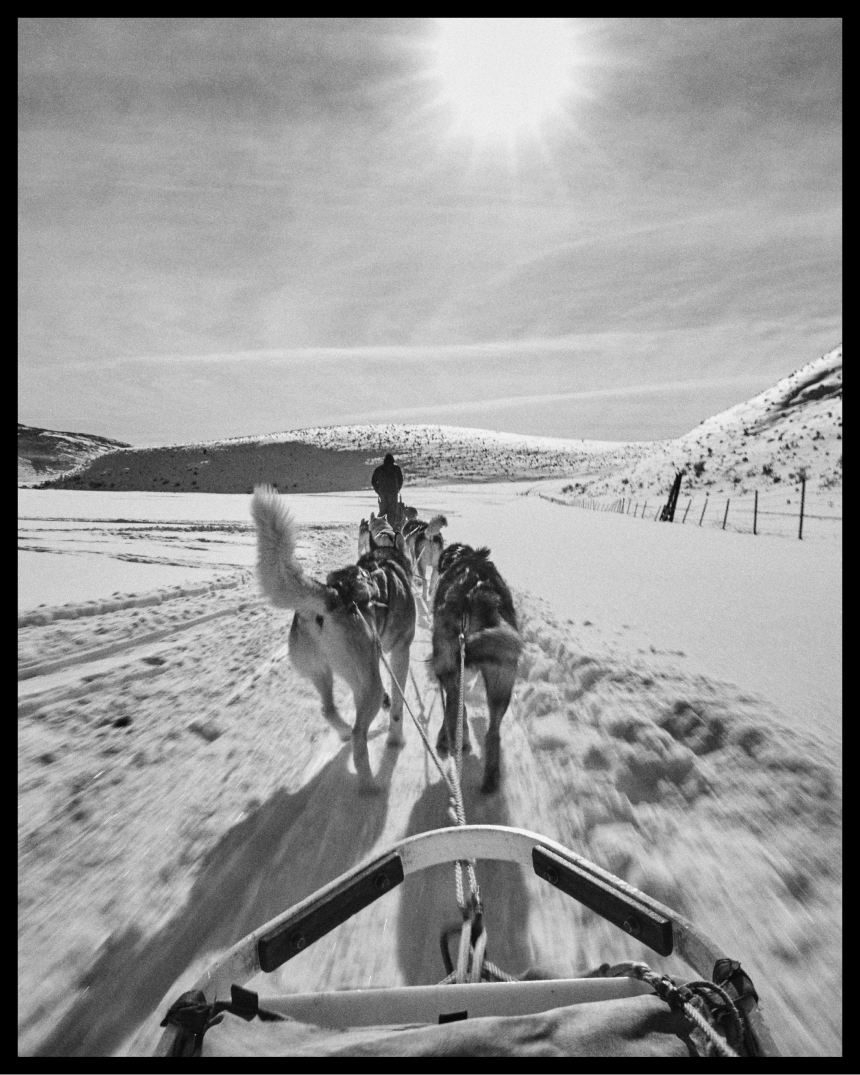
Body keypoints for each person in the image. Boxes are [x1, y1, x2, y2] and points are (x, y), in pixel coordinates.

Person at [371, 452, 404, 525]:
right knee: (392, 513)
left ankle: (379, 527)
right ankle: (389, 528)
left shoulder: (379, 469)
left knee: (383, 512)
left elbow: (373, 482)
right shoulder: (396, 469)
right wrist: (397, 489)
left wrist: (378, 491)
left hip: (383, 494)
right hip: (392, 494)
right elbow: (400, 480)